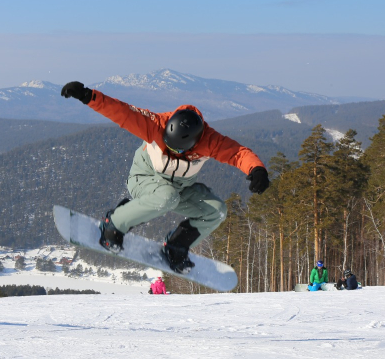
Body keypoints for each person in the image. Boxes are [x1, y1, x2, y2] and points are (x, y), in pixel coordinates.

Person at [61, 81, 269, 274]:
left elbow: (238, 153)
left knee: (216, 211)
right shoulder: (156, 124)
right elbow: (122, 112)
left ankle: (176, 247)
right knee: (166, 197)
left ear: (194, 143)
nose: (170, 150)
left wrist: (256, 169)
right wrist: (88, 96)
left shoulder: (210, 140)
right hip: (144, 179)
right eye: (167, 144)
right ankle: (113, 224)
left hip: (179, 189)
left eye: (176, 149)